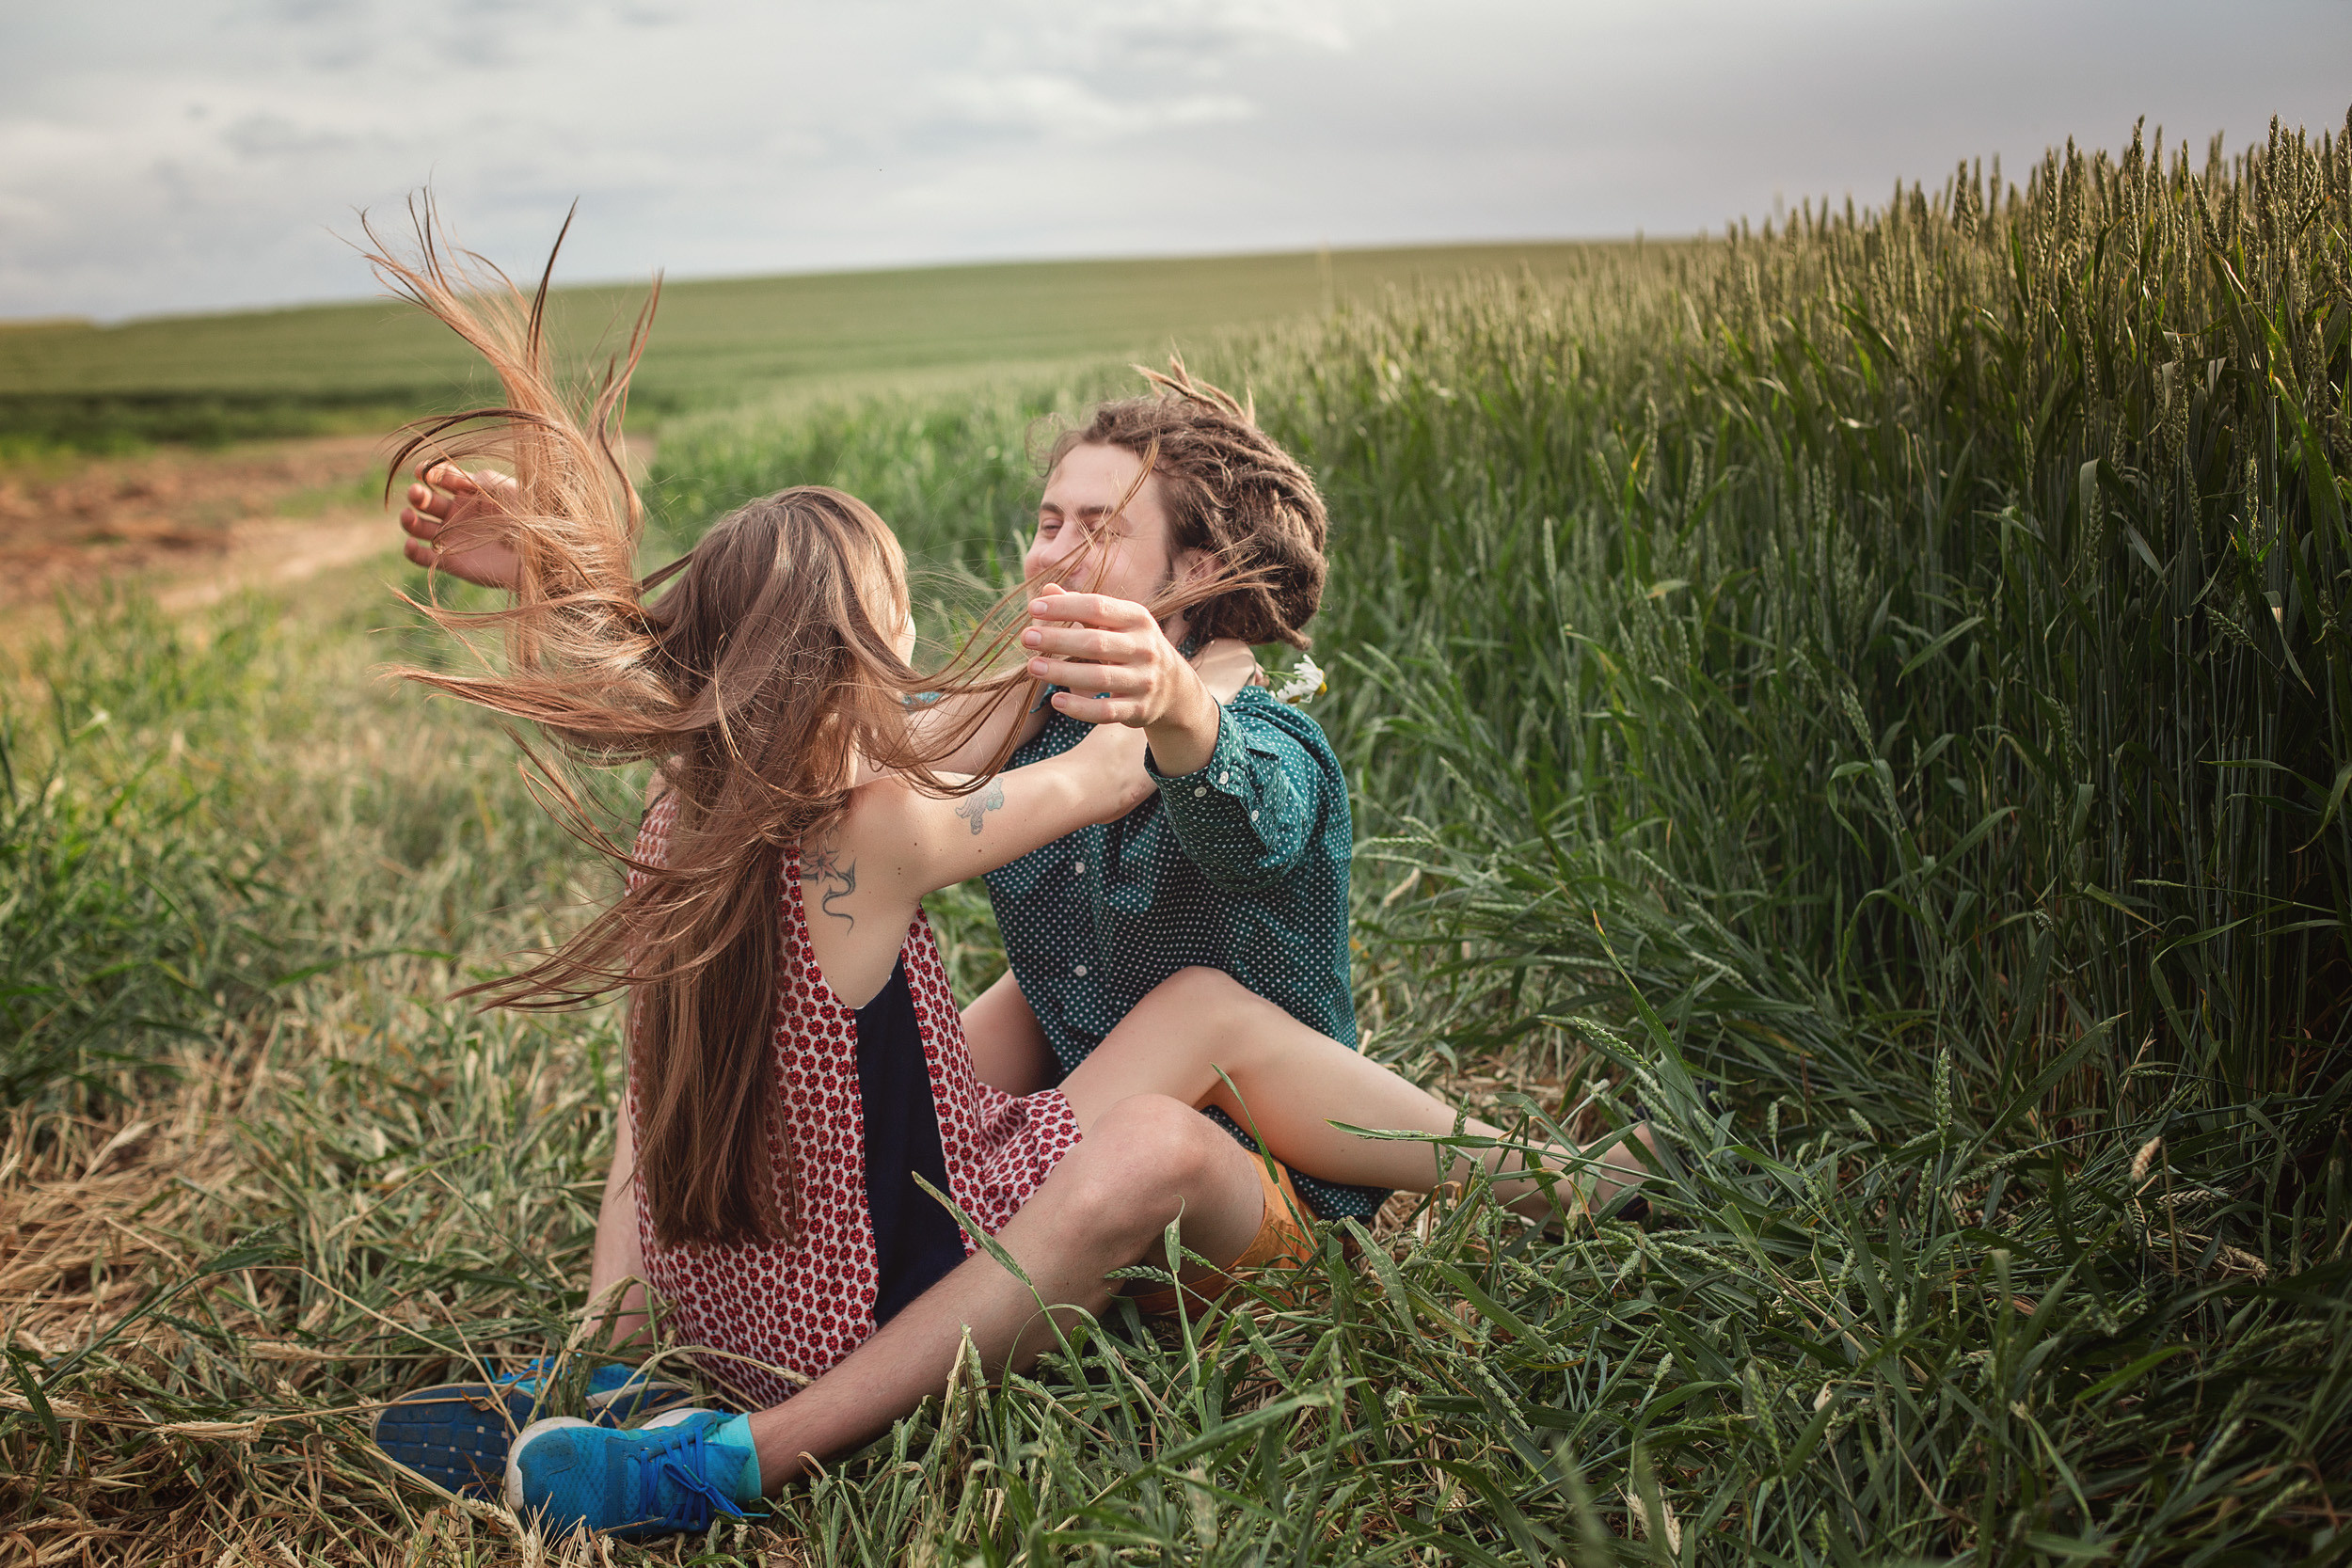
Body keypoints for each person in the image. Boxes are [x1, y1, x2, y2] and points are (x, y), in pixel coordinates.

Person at [365, 228, 1657, 1540]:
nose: (1051, 552)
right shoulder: (1019, 722)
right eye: (1046, 522)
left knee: (1188, 1032)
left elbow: (1248, 819)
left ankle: (1555, 1183)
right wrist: (558, 579)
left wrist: (1185, 708)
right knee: (730, 1023)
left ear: (1196, 574)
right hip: (1051, 1157)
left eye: (1099, 529)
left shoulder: (1267, 741)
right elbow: (773, 729)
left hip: (1244, 1205)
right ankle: (619, 1360)